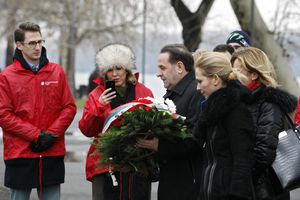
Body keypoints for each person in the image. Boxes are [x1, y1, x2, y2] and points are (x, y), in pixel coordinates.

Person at [0, 22, 76, 200]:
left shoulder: (56, 72)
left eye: (40, 42)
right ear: (19, 45)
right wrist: (36, 135)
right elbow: (3, 114)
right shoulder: (6, 76)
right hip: (20, 153)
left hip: (52, 151)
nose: (37, 47)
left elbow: (69, 107)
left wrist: (51, 134)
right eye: (32, 43)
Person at [78, 43, 154, 200]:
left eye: (118, 68)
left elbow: (153, 124)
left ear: (126, 70)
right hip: (105, 163)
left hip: (136, 162)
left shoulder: (143, 91)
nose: (114, 74)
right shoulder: (96, 94)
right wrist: (99, 106)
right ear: (104, 73)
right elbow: (87, 130)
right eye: (110, 70)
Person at [137, 44, 202, 200]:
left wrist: (159, 145)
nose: (158, 74)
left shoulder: (196, 92)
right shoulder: (171, 94)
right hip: (172, 180)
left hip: (188, 184)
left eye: (163, 68)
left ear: (179, 67)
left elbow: (195, 139)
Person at [231, 47, 297, 200]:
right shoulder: (242, 101)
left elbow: (263, 152)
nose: (233, 76)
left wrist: (240, 181)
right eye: (232, 70)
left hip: (265, 189)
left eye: (238, 71)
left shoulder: (268, 103)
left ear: (254, 74)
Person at [195, 51, 255, 200]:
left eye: (200, 81)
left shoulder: (237, 111)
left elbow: (243, 159)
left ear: (215, 79)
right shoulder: (210, 111)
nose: (197, 88)